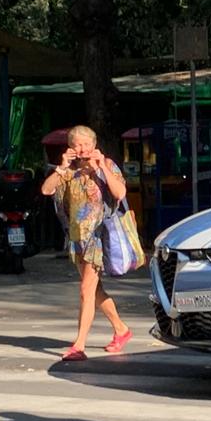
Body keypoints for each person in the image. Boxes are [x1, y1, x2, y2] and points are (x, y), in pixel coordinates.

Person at [40, 125, 134, 361]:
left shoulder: (106, 165)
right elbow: (46, 190)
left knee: (86, 291)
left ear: (94, 144)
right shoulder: (68, 170)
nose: (82, 149)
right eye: (76, 144)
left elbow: (120, 192)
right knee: (94, 290)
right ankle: (121, 330)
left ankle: (79, 345)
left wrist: (101, 167)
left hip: (98, 237)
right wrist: (61, 168)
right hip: (77, 238)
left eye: (86, 144)